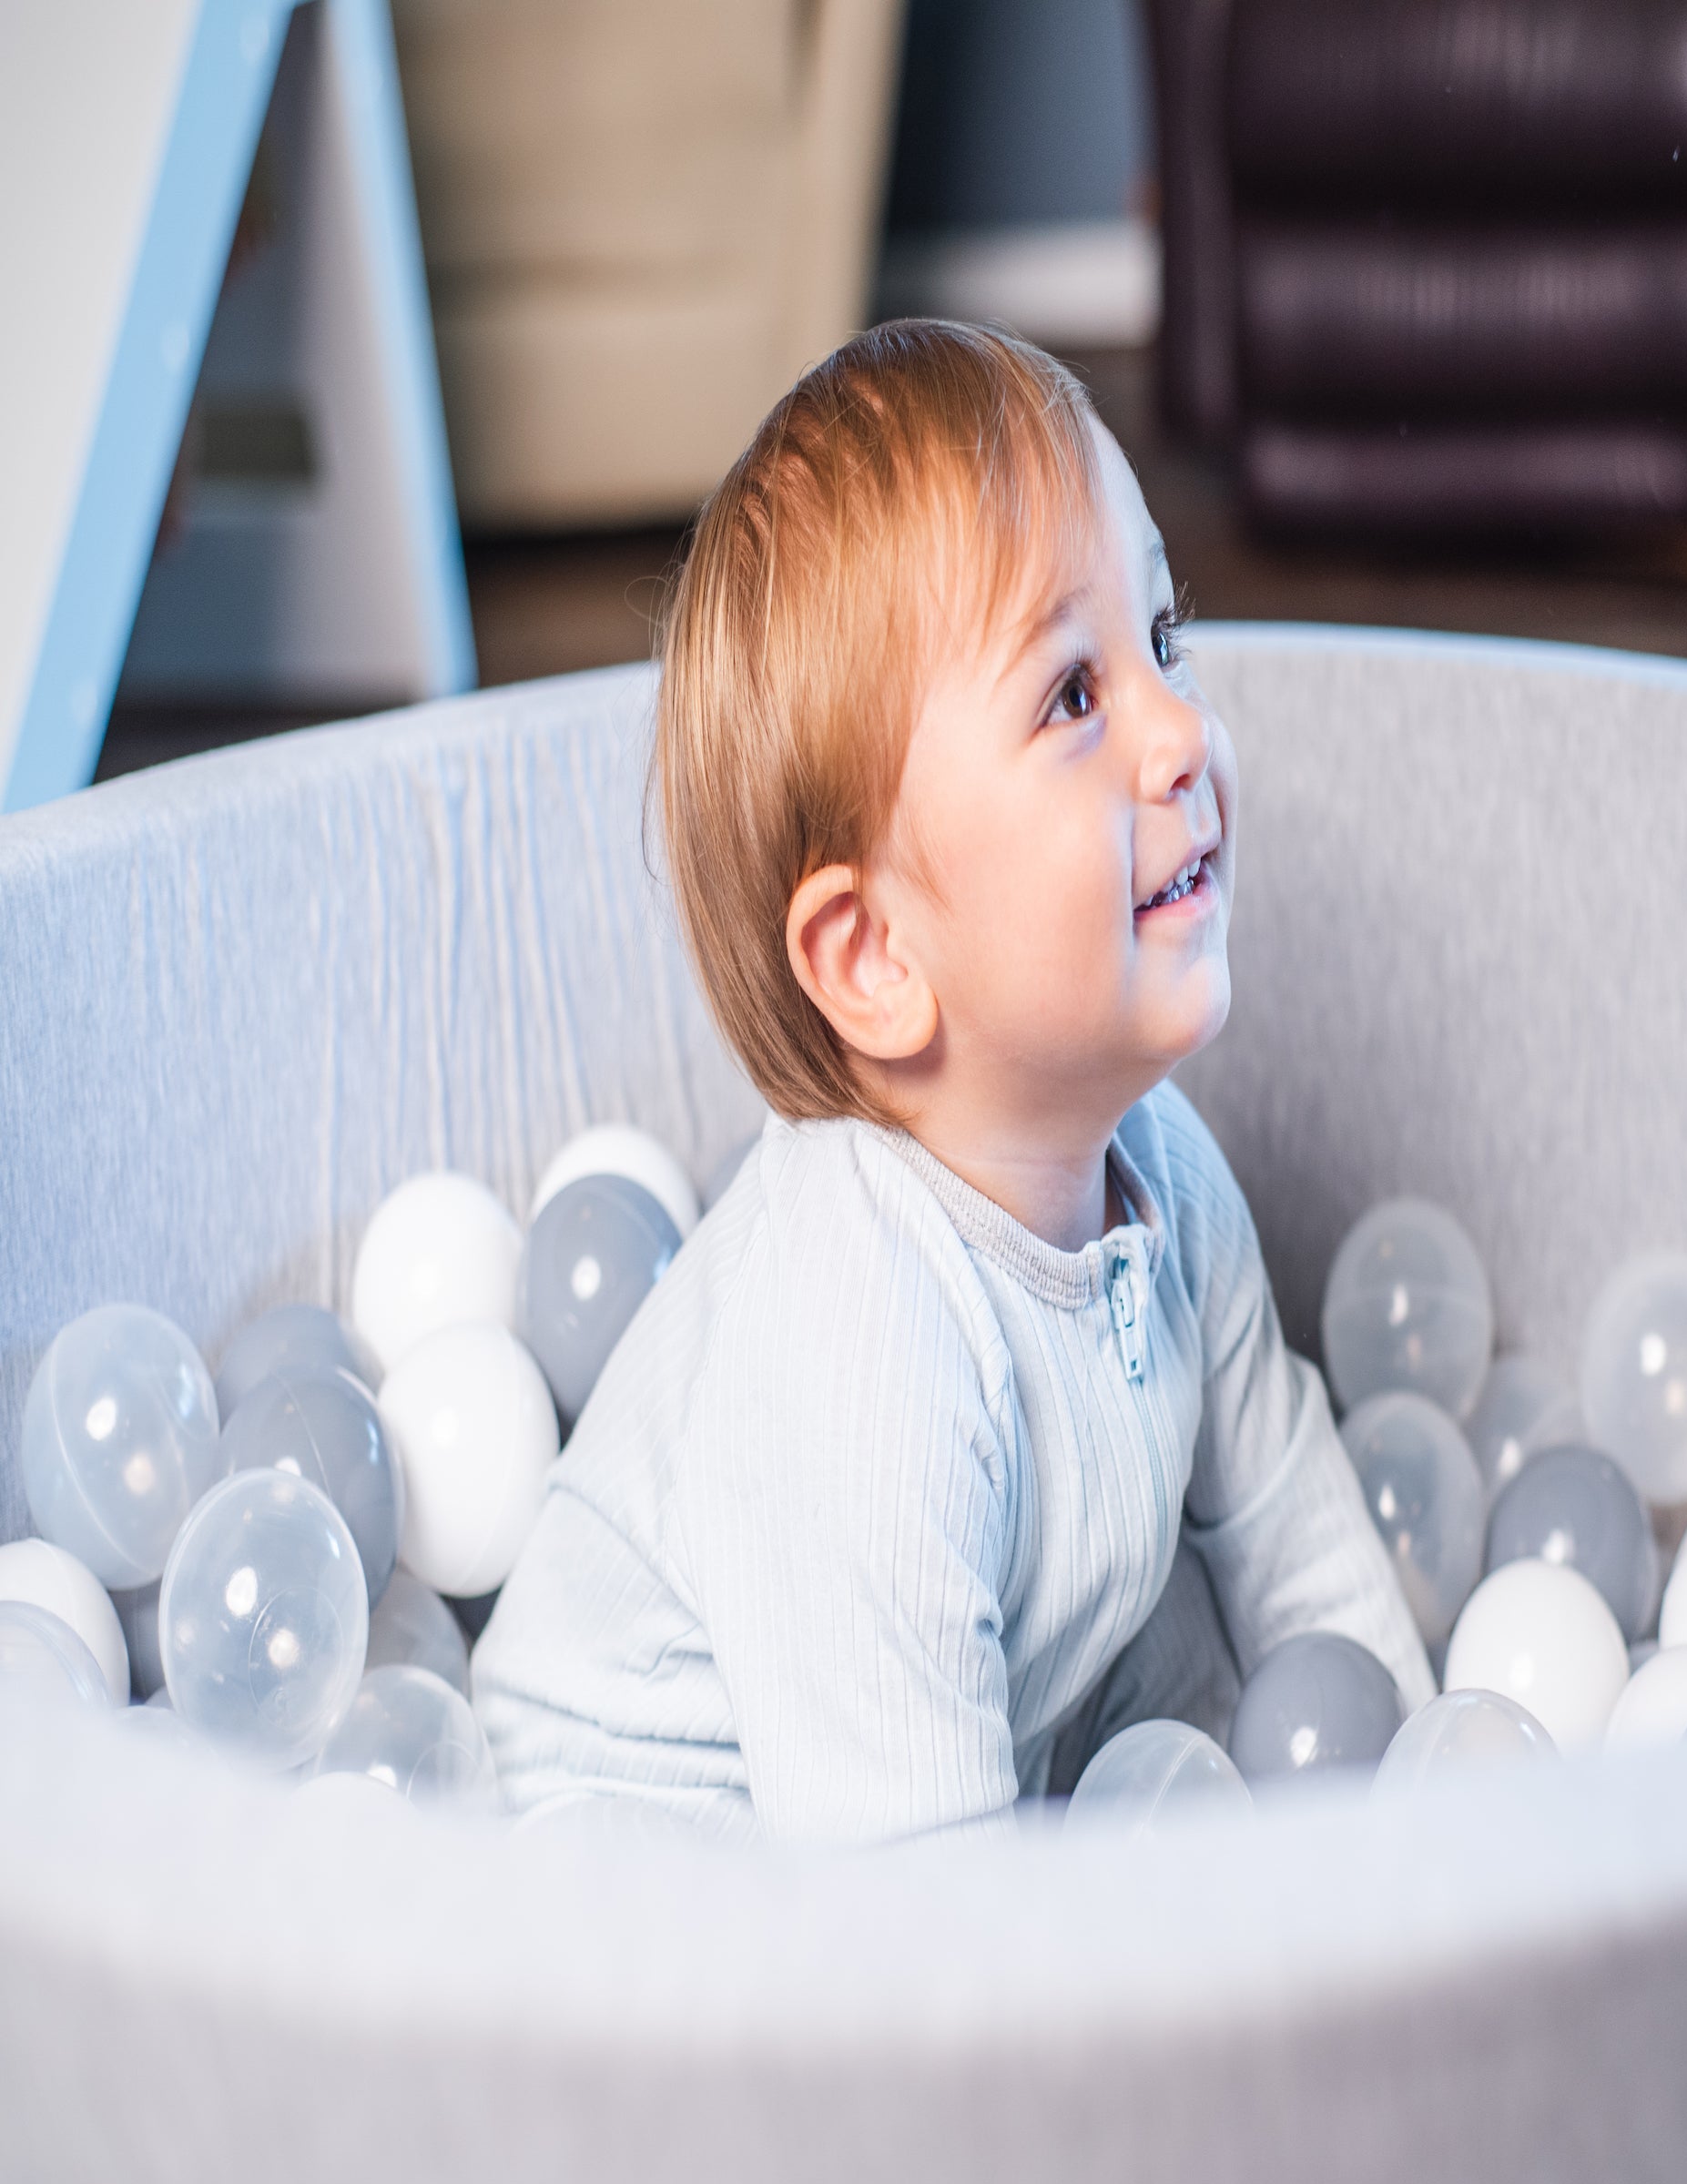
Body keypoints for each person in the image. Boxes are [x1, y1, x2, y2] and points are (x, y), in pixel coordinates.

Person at [473, 320, 1433, 1839]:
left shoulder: (1164, 1173)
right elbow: (920, 1936)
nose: (1181, 731)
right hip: (661, 1871)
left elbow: (1297, 1546)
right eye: (1072, 695)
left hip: (988, 1734)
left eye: (1165, 641)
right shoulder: (864, 1342)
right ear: (873, 957)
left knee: (1172, 1655)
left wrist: (1445, 1831)